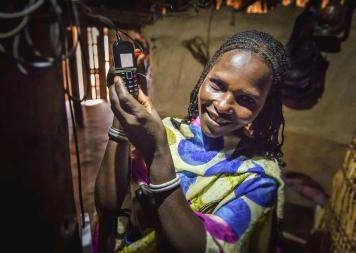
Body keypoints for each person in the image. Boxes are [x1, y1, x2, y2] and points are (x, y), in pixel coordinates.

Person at [94, 30, 288, 253]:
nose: (223, 105)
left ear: (266, 106)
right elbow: (109, 209)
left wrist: (158, 154)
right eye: (218, 85)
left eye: (246, 99)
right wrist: (123, 115)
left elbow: (202, 248)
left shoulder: (259, 177)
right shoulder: (167, 131)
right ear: (204, 77)